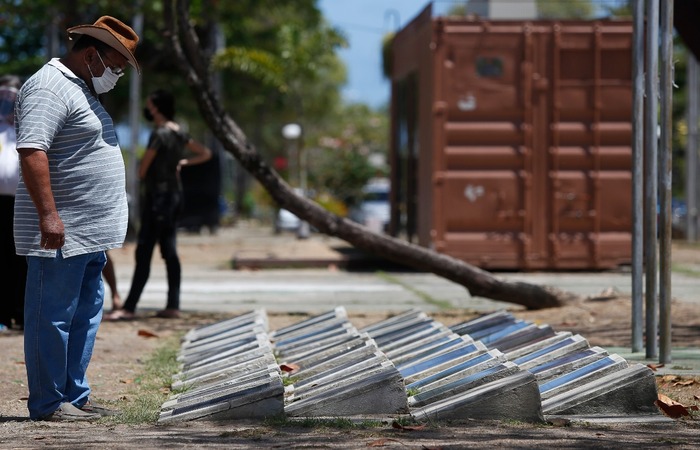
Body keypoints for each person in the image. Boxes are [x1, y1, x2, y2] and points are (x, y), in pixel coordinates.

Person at [14, 16, 140, 421]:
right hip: (61, 231)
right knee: (52, 316)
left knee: (84, 314)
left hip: (89, 232)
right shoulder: (48, 86)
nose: (116, 75)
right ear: (91, 55)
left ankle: (73, 394)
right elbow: (33, 150)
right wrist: (49, 217)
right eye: (116, 67)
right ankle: (48, 403)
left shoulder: (80, 88)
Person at [105, 90, 211, 321]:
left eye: (150, 106)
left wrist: (143, 171)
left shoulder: (159, 134)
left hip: (157, 198)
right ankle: (173, 304)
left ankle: (129, 307)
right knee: (169, 251)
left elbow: (143, 170)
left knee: (144, 251)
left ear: (157, 108)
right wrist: (182, 162)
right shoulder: (179, 132)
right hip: (174, 196)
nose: (148, 110)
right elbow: (205, 153)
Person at [0, 74, 27, 332]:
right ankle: (3, 314)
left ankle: (19, 313)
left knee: (20, 259)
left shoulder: (25, 126)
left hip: (21, 204)